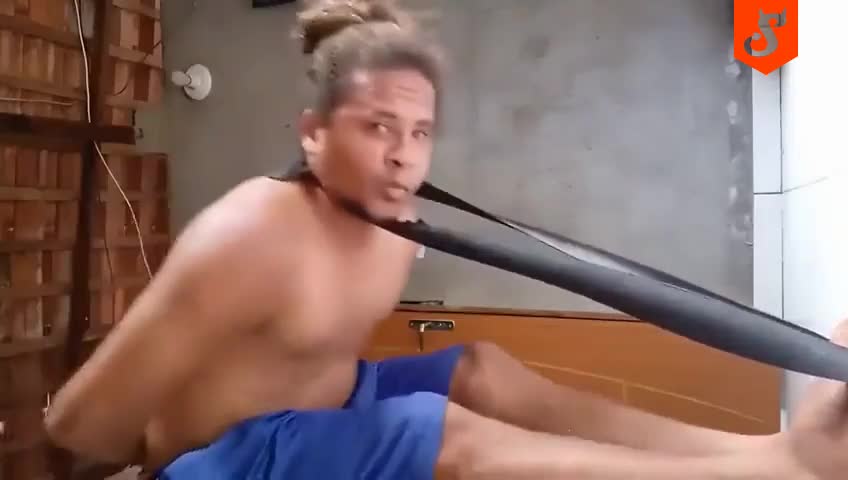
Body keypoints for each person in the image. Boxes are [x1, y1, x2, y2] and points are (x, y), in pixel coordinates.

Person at [45, 1, 848, 478]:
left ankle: (757, 453)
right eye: (377, 127)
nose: (404, 155)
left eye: (420, 131)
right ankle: (774, 477)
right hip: (225, 457)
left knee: (477, 370)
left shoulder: (396, 223)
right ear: (314, 134)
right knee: (436, 431)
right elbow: (80, 425)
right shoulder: (248, 234)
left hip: (328, 402)